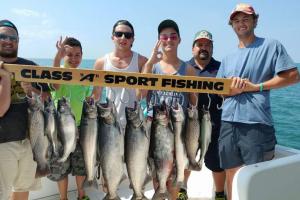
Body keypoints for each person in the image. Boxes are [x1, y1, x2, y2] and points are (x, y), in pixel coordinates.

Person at [217, 3, 300, 200]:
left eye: (245, 18)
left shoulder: (271, 46)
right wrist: (232, 91)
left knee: (256, 178)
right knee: (231, 172)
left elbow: (293, 76)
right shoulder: (227, 58)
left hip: (256, 124)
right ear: (232, 25)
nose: (241, 23)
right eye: (236, 21)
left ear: (255, 21)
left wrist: (257, 87)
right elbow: (220, 93)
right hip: (228, 123)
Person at [143, 19, 196, 200]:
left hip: (178, 130)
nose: (168, 40)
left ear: (179, 40)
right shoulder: (151, 68)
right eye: (164, 37)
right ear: (159, 40)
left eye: (173, 36)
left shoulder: (188, 69)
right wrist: (149, 63)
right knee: (158, 172)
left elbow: (193, 101)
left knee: (174, 177)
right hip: (156, 130)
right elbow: (139, 94)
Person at [0, 19, 49, 200]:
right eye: (2, 36)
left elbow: (48, 98)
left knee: (22, 189)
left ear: (18, 41)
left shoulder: (31, 66)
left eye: (12, 37)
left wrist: (32, 90)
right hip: (3, 143)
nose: (7, 40)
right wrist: (5, 79)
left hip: (31, 142)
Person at [47, 37, 91, 200]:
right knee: (61, 167)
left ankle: (81, 195)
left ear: (82, 55)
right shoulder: (59, 73)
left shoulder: (84, 76)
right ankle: (63, 198)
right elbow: (55, 85)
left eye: (77, 55)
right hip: (60, 130)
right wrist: (57, 57)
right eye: (69, 55)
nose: (73, 58)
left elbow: (88, 98)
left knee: (81, 166)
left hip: (81, 128)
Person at [187, 30, 226, 200]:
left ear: (212, 48)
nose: (204, 48)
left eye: (207, 45)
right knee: (186, 158)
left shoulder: (222, 67)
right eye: (200, 45)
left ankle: (219, 193)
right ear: (193, 48)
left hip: (215, 123)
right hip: (189, 123)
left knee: (217, 164)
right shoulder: (184, 68)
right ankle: (182, 190)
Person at [92, 19, 147, 129]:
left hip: (134, 124)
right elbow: (96, 95)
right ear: (113, 37)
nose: (123, 38)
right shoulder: (101, 62)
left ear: (132, 39)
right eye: (119, 34)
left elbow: (143, 95)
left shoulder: (142, 61)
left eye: (127, 35)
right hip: (109, 123)